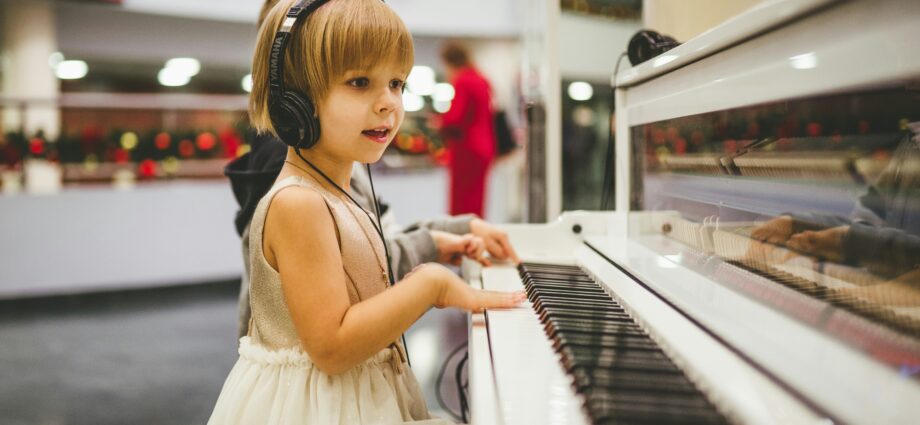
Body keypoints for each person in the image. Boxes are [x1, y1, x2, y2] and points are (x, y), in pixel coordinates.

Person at [208, 1, 525, 423]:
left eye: (397, 83)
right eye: (360, 82)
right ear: (293, 103)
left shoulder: (338, 190)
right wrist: (429, 285)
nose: (388, 103)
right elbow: (332, 347)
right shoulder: (298, 203)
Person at [429, 42, 496, 217]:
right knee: (477, 201)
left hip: (468, 149)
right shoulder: (480, 78)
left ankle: (463, 241)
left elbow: (455, 118)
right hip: (484, 146)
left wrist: (438, 122)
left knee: (462, 203)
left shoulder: (463, 81)